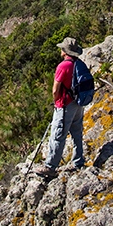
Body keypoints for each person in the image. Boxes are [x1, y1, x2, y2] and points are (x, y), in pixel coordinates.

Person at [35, 37, 87, 177]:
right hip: (78, 103)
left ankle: (50, 167)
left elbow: (55, 89)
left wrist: (56, 102)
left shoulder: (63, 66)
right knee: (77, 133)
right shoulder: (79, 63)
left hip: (65, 105)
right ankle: (78, 162)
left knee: (58, 135)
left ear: (64, 51)